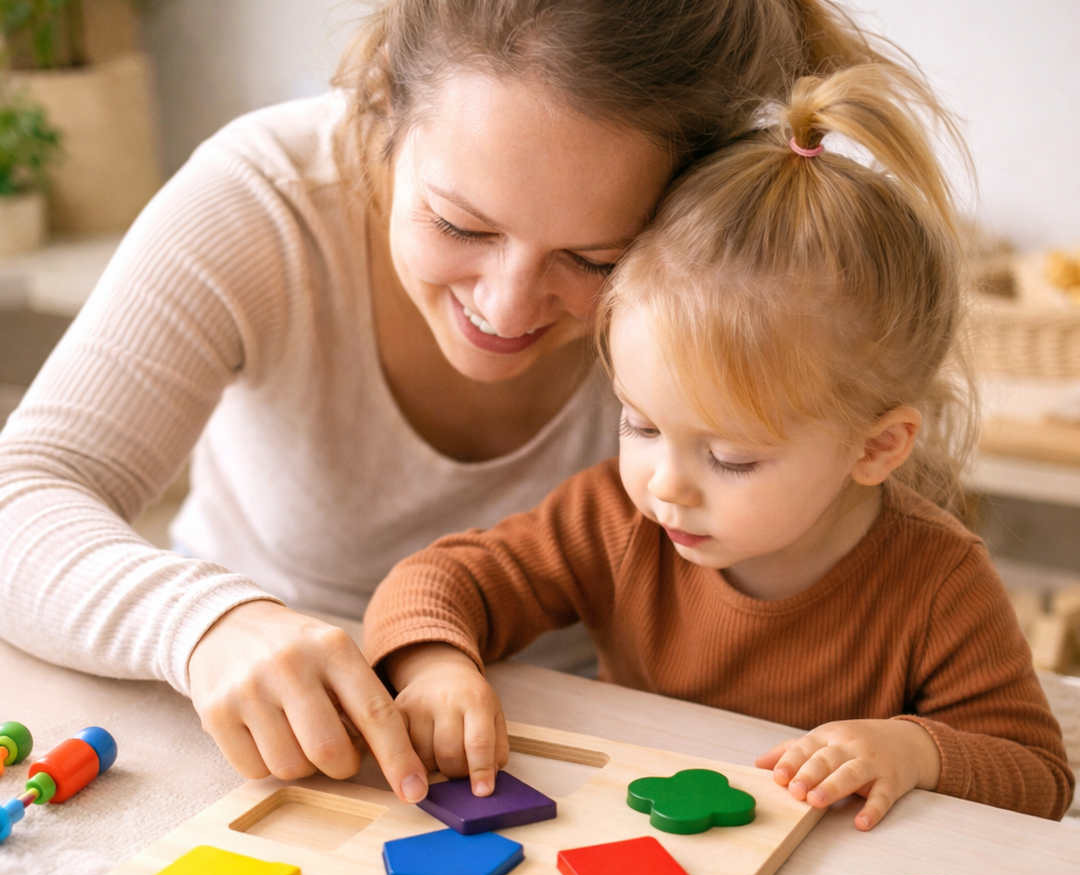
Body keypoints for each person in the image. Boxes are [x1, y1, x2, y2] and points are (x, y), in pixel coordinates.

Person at [0, 0, 892, 805]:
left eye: (595, 261)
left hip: (563, 747)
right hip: (250, 735)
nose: (505, 310)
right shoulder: (265, 201)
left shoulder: (732, 284)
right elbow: (23, 493)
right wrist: (204, 622)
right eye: (461, 226)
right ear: (385, 109)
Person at [362, 64, 1075, 826]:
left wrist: (913, 750)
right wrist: (436, 666)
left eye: (731, 458)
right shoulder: (615, 518)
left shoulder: (939, 584)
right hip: (637, 843)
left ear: (878, 448)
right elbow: (436, 582)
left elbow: (1038, 776)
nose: (666, 484)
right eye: (640, 424)